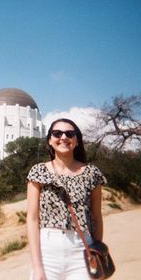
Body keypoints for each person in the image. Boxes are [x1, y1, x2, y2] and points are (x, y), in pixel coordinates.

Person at [27, 118, 107, 280]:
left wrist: (97, 255)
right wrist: (37, 267)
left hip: (81, 249)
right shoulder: (38, 171)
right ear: (50, 140)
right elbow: (32, 219)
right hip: (48, 250)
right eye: (57, 133)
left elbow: (96, 217)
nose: (63, 137)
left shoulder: (92, 173)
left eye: (70, 134)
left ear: (77, 141)